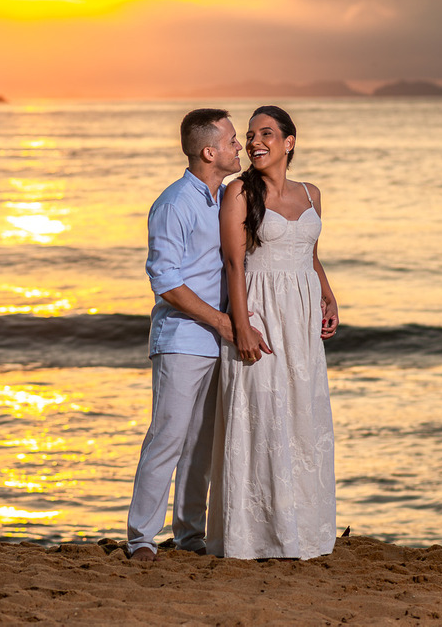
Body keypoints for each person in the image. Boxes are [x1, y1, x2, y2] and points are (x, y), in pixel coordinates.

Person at [125, 108, 261, 561]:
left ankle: (188, 536)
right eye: (230, 140)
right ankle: (141, 538)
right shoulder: (175, 203)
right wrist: (223, 321)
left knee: (202, 444)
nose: (238, 146)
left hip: (215, 340)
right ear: (209, 151)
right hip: (184, 337)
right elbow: (165, 282)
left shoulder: (222, 197)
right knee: (168, 437)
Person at [208, 104, 340, 560]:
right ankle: (256, 535)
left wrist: (328, 294)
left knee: (302, 416)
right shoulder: (239, 192)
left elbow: (311, 253)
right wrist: (241, 326)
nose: (254, 142)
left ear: (290, 142)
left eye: (266, 133)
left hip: (301, 320)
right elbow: (233, 264)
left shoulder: (311, 193)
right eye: (249, 136)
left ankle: (303, 530)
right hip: (262, 312)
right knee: (262, 414)